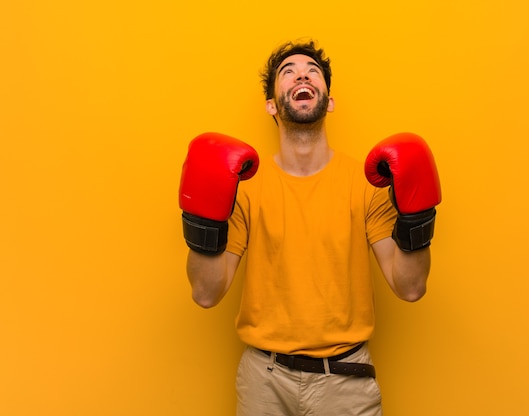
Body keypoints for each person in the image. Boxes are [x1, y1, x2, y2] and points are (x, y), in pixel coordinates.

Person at [178, 39, 441, 416]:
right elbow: (206, 293)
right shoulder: (245, 186)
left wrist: (417, 218)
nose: (301, 73)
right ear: (272, 104)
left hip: (346, 381)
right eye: (288, 72)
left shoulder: (367, 184)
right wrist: (203, 222)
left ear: (329, 100)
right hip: (263, 382)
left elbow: (411, 287)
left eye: (311, 70)